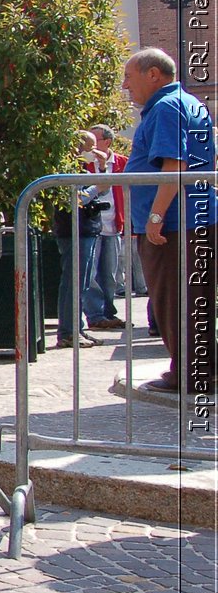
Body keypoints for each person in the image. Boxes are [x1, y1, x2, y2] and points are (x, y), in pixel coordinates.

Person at [121, 47, 215, 394]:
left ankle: (190, 374)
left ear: (153, 75)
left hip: (176, 225)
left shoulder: (165, 107)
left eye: (129, 77)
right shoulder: (191, 103)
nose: (125, 85)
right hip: (194, 219)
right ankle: (201, 370)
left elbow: (174, 166)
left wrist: (156, 217)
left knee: (174, 300)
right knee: (194, 298)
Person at [54, 131, 108, 348]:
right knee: (73, 283)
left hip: (86, 229)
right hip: (73, 230)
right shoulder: (66, 166)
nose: (92, 152)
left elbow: (97, 194)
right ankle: (68, 332)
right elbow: (75, 198)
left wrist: (101, 170)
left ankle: (76, 329)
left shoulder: (80, 167)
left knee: (81, 283)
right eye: (89, 147)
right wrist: (97, 186)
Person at [84, 124, 129, 332]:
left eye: (95, 139)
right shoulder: (84, 164)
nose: (91, 145)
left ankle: (108, 312)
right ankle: (95, 315)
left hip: (114, 224)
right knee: (91, 274)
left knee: (110, 274)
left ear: (107, 142)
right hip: (92, 225)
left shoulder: (122, 162)